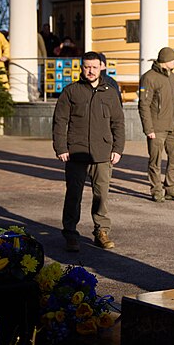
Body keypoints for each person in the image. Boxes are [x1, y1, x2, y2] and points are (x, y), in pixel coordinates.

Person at [52, 51, 125, 252]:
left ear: (101, 67)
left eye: (94, 67)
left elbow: (118, 122)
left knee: (101, 195)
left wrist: (118, 148)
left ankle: (101, 231)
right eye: (86, 67)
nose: (90, 70)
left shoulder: (110, 92)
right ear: (81, 68)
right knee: (73, 195)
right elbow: (60, 122)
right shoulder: (71, 91)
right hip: (76, 152)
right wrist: (61, 147)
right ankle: (70, 233)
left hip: (102, 152)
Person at [139, 47, 174, 203]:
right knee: (155, 160)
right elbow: (144, 105)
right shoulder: (149, 78)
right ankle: (156, 190)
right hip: (157, 128)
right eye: (173, 59)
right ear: (165, 61)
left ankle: (171, 188)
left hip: (173, 126)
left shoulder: (172, 77)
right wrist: (148, 129)